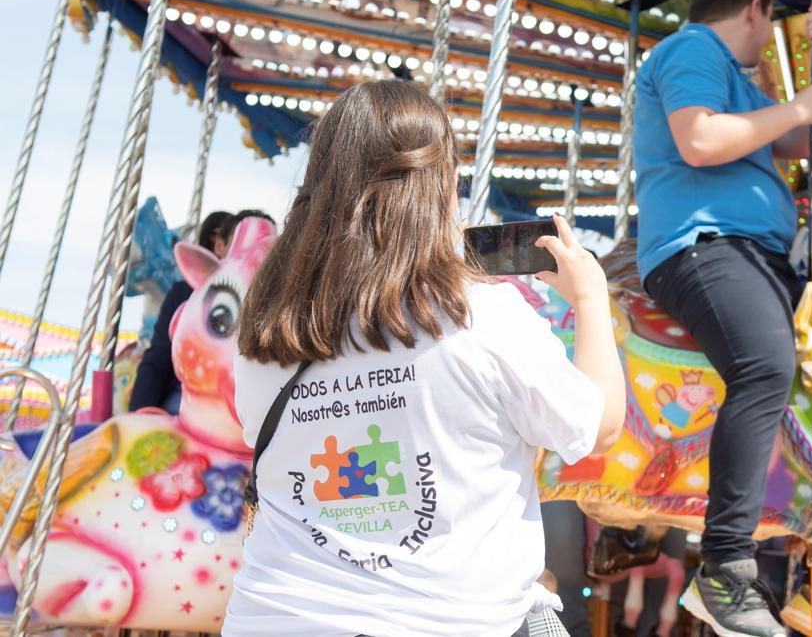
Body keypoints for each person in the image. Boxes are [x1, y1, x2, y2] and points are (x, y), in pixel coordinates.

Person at [224, 81, 626, 636]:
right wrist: (591, 299)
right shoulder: (481, 315)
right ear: (440, 185)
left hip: (274, 616)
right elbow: (598, 428)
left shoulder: (269, 329)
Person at [632, 0, 812, 636]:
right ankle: (725, 565)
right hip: (702, 245)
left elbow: (801, 138)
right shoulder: (692, 49)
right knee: (764, 365)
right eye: (770, 20)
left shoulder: (736, 78)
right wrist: (800, 101)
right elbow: (699, 139)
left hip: (755, 254)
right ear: (755, 7)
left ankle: (803, 556)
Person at [129, 210, 233, 413]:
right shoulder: (184, 294)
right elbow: (158, 358)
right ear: (217, 244)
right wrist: (141, 413)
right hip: (185, 400)